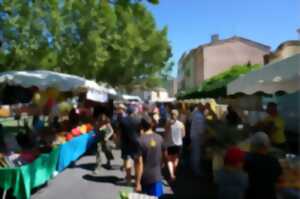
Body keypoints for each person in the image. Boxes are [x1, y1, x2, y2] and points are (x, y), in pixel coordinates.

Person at [244, 132, 282, 199]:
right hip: (269, 195)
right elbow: (279, 181)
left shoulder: (247, 160)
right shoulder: (274, 161)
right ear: (267, 145)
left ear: (253, 145)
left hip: (251, 196)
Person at [135, 116, 164, 197]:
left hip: (145, 179)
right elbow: (163, 158)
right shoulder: (160, 138)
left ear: (141, 126)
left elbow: (139, 164)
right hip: (157, 177)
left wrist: (137, 183)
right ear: (152, 125)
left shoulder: (139, 140)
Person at [119, 105, 141, 184]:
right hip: (136, 142)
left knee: (127, 160)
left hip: (125, 142)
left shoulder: (123, 120)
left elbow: (120, 132)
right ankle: (137, 179)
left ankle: (128, 179)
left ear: (127, 112)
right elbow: (141, 132)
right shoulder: (138, 119)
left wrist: (118, 141)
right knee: (137, 160)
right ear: (134, 112)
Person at [164, 109, 185, 180]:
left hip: (170, 144)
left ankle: (171, 174)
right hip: (179, 144)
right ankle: (174, 171)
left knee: (169, 160)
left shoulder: (167, 123)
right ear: (177, 115)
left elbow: (165, 133)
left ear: (170, 115)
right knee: (176, 159)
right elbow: (183, 135)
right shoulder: (181, 124)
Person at [190, 103, 206, 177]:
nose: (205, 108)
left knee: (195, 153)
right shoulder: (199, 116)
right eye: (204, 106)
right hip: (197, 137)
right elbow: (200, 131)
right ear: (201, 107)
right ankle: (196, 171)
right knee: (197, 154)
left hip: (194, 135)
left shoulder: (196, 113)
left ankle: (194, 168)